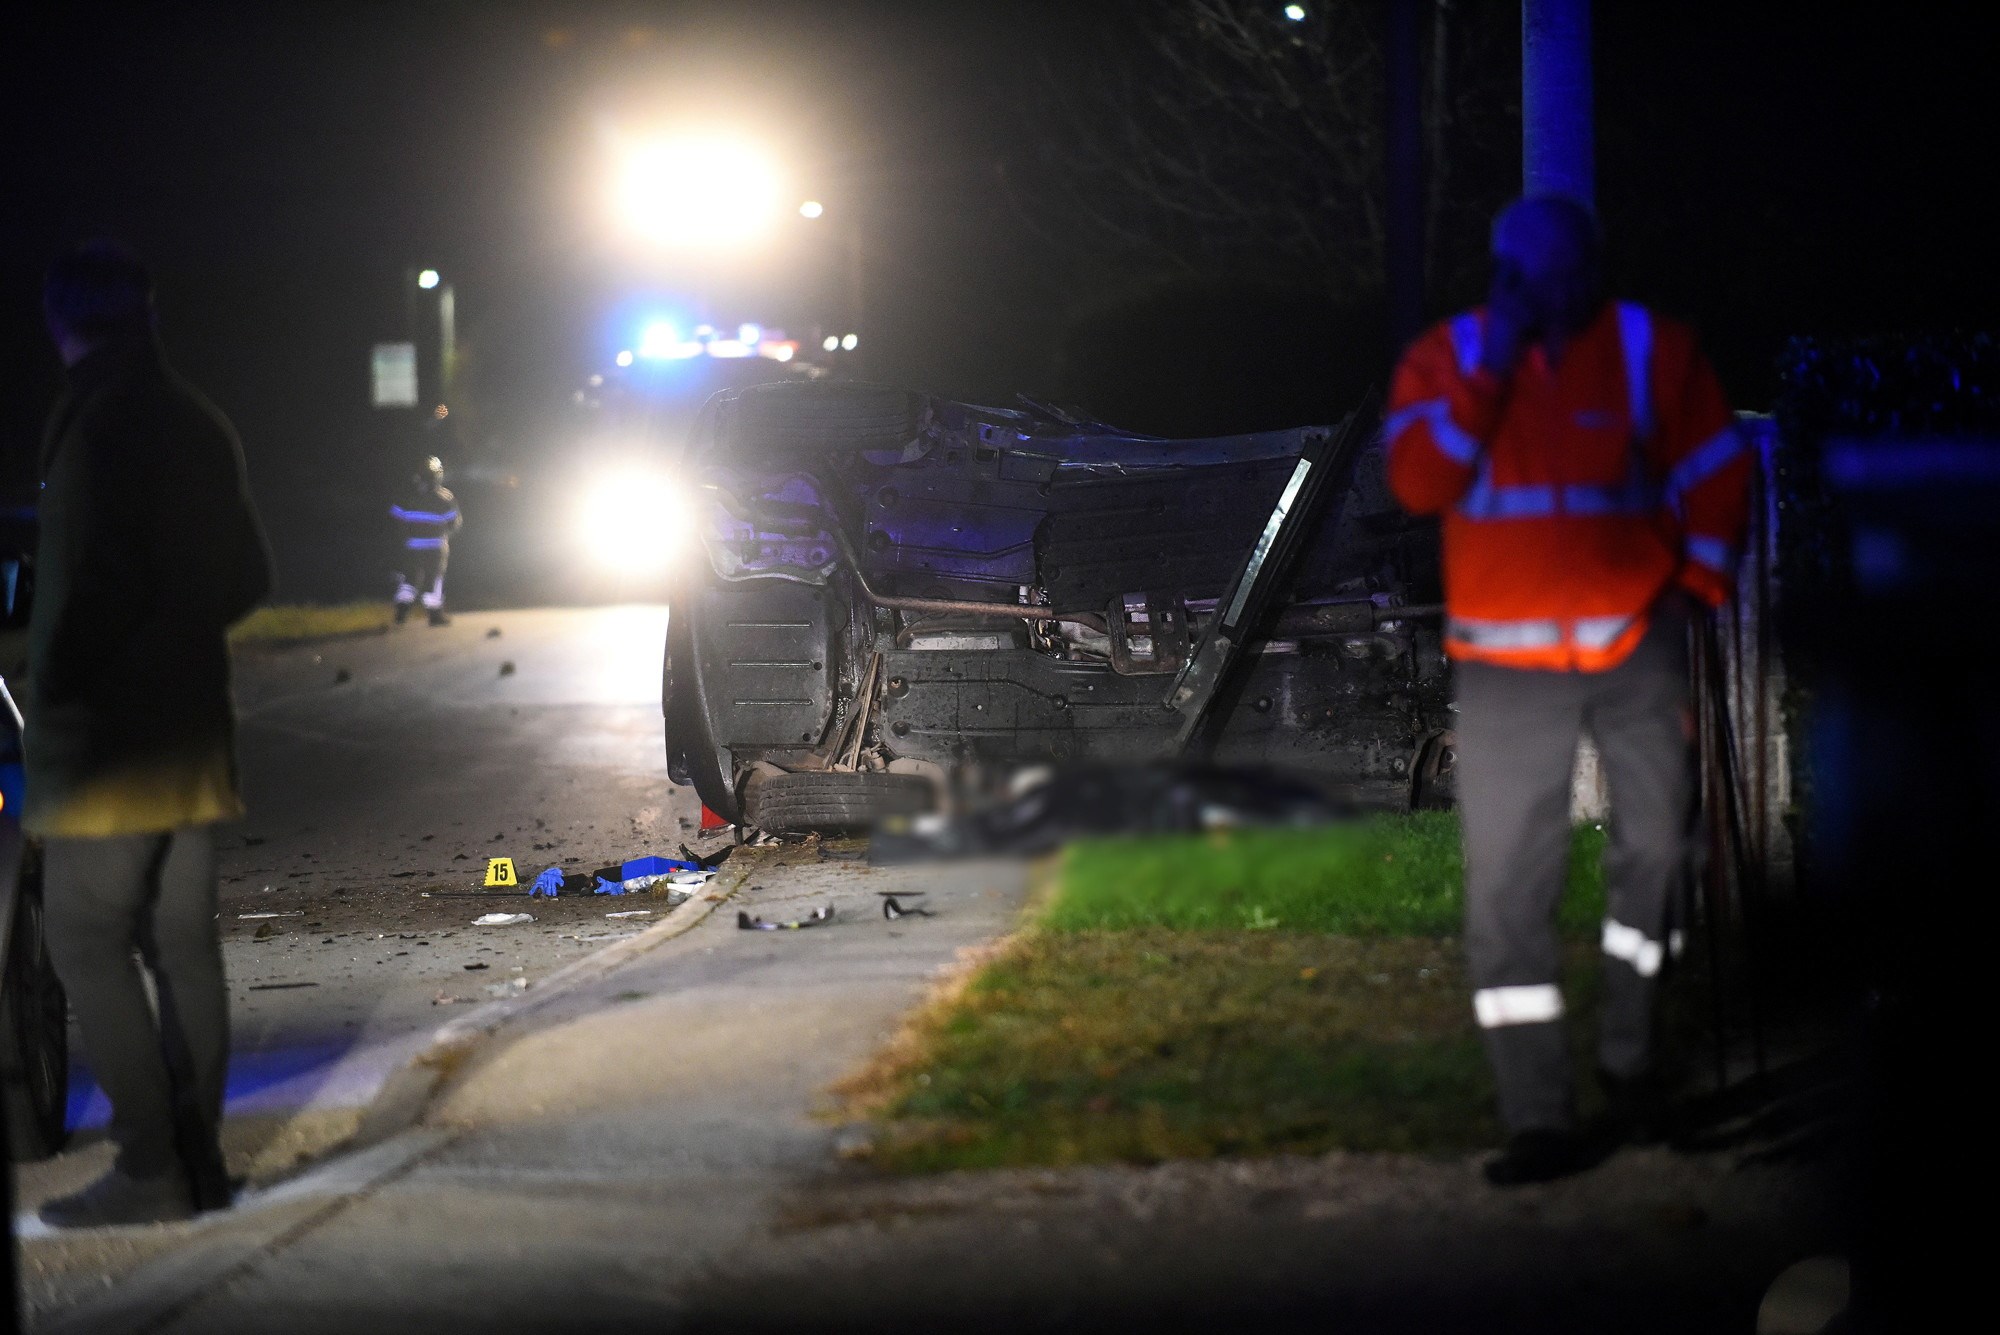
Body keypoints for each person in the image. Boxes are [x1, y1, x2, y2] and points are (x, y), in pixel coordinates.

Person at [1383, 196, 1750, 1185]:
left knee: (1660, 854)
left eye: (1566, 270)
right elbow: (1419, 484)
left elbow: (1718, 470)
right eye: (1529, 275)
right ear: (1502, 276)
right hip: (1507, 668)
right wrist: (1491, 370)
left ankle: (1636, 1065)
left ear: (1593, 267)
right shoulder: (1446, 359)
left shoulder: (1648, 349)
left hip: (1635, 644)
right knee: (1509, 884)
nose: (1551, 291)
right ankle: (1537, 1115)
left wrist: (1699, 582)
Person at [27, 241, 273, 1226]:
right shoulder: (196, 420)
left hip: (109, 744)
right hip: (191, 730)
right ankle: (199, 1167)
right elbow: (246, 578)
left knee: (82, 937)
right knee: (183, 948)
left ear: (62, 322)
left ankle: (149, 1167)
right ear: (148, 313)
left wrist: (59, 698)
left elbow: (81, 592)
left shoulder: (93, 425)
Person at [390, 455, 460, 626]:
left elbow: (394, 520)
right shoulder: (445, 497)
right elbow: (454, 522)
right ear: (438, 475)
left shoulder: (406, 497)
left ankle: (401, 612)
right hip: (435, 547)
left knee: (410, 578)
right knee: (434, 578)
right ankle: (435, 615)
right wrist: (445, 536)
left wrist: (403, 537)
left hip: (411, 546)